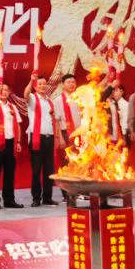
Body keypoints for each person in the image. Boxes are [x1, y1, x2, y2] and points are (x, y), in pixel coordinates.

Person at [24, 74, 63, 207]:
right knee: (36, 170)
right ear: (35, 86)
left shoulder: (50, 101)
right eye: (39, 84)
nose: (42, 86)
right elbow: (25, 94)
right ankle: (36, 198)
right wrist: (31, 80)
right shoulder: (32, 99)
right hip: (37, 138)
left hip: (49, 138)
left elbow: (55, 121)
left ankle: (47, 197)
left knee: (49, 170)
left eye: (44, 84)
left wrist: (57, 137)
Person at [0, 83, 23, 210]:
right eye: (1, 90)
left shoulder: (13, 107)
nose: (4, 92)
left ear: (9, 92)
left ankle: (9, 199)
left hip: (11, 142)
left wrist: (18, 142)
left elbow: (18, 124)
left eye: (6, 90)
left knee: (9, 172)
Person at [54, 74, 80, 202]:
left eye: (73, 82)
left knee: (79, 163)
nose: (71, 84)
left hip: (79, 134)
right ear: (63, 84)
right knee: (67, 163)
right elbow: (57, 120)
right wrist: (60, 137)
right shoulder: (58, 100)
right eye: (68, 82)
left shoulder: (79, 98)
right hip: (66, 133)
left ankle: (78, 191)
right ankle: (66, 193)